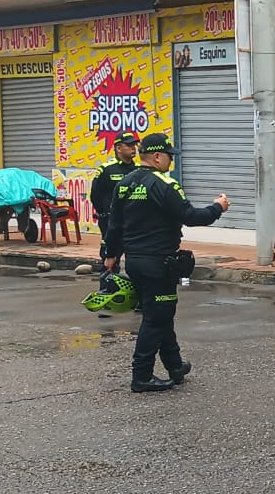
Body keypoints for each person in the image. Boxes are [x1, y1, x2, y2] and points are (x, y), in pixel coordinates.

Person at [103, 132, 230, 393]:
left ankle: (175, 366)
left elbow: (114, 224)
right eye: (169, 156)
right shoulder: (164, 184)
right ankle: (141, 376)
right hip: (158, 262)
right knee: (155, 319)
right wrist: (218, 207)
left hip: (135, 262)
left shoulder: (125, 183)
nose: (171, 162)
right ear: (158, 156)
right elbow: (192, 216)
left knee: (160, 314)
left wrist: (111, 255)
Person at [91, 132, 140, 269]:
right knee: (110, 259)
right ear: (118, 148)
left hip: (133, 222)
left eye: (134, 145)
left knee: (135, 258)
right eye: (129, 145)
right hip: (111, 221)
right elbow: (95, 195)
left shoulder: (138, 170)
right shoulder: (106, 169)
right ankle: (107, 286)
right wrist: (105, 213)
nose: (133, 148)